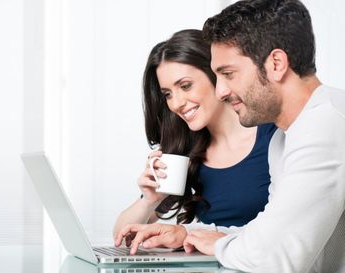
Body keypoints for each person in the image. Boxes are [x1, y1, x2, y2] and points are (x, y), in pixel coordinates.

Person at [117, 0, 345, 272]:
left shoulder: (326, 123)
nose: (221, 91)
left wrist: (208, 241)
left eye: (228, 74)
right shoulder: (284, 138)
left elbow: (274, 256)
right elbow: (267, 237)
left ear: (276, 63)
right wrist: (188, 235)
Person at [113, 29, 276, 250]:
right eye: (167, 94)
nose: (177, 103)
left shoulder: (274, 136)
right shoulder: (186, 152)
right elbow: (121, 240)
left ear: (215, 75)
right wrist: (150, 200)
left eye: (185, 85)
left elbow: (287, 233)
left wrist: (189, 234)